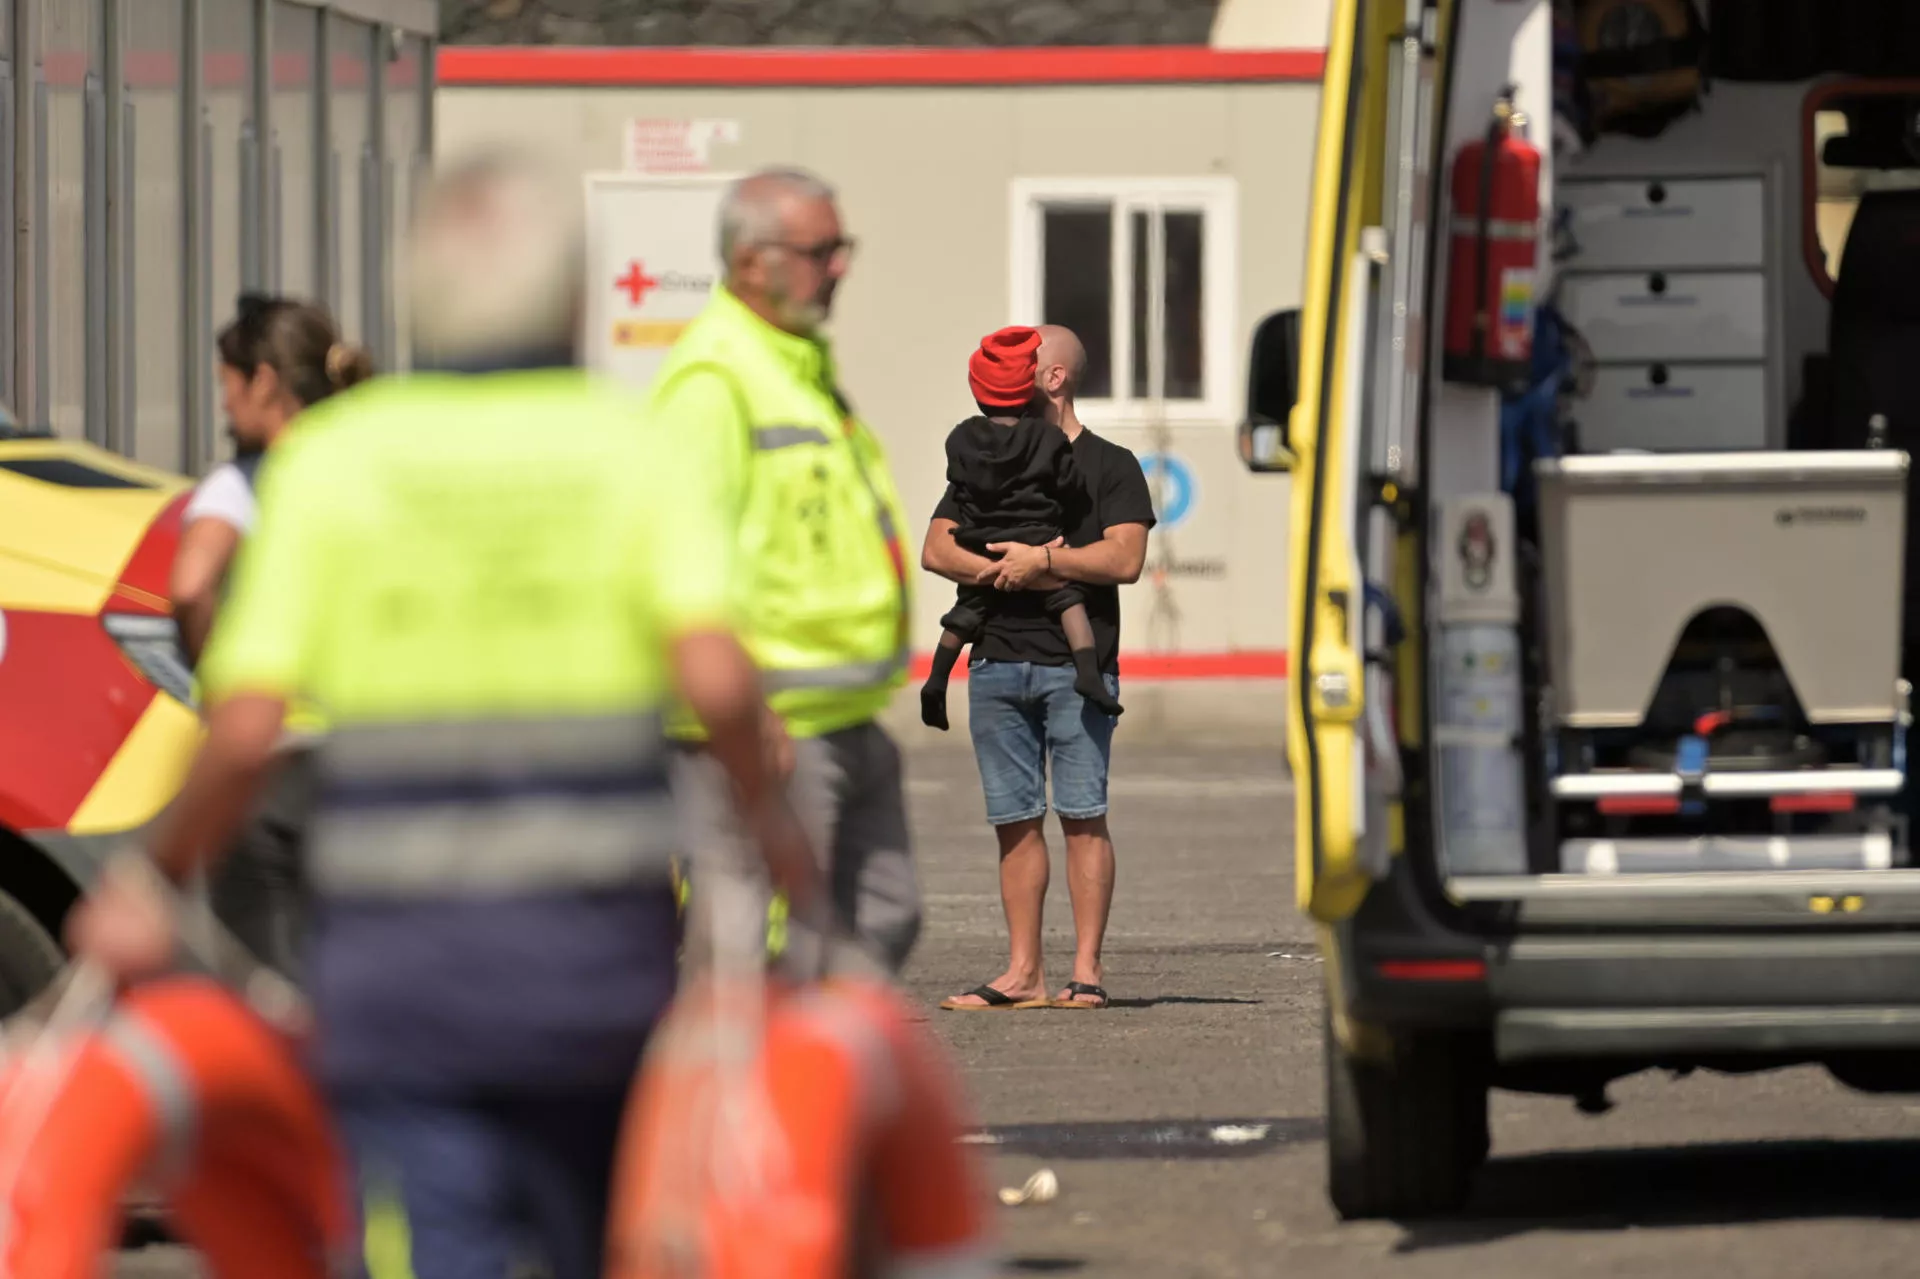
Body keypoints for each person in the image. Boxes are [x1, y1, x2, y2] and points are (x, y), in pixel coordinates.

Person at [67, 151, 817, 1279]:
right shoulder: (628, 449)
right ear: (571, 299)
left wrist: (150, 875)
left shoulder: (333, 464)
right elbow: (717, 683)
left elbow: (243, 720)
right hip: (593, 963)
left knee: (428, 1235)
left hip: (401, 966)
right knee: (586, 1232)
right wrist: (786, 855)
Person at [650, 166, 920, 979]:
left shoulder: (793, 368)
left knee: (878, 922)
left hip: (842, 712)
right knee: (757, 953)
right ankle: (744, 1097)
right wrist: (736, 702)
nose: (839, 267)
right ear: (752, 262)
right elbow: (676, 556)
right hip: (769, 723)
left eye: (842, 248)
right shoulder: (713, 382)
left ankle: (812, 1085)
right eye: (821, 250)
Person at [921, 326, 1155, 1012]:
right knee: (1014, 822)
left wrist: (1045, 562)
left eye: (1028, 364)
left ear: (1054, 378)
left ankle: (1085, 970)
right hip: (995, 662)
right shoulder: (990, 455)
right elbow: (937, 547)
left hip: (1074, 671)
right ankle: (1023, 974)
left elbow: (1125, 560)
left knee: (1083, 816)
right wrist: (1003, 569)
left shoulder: (1113, 464)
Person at [169, 293, 373, 982]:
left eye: (228, 385)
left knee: (262, 983)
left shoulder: (245, 482)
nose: (225, 405)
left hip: (265, 757)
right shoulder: (369, 471)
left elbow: (192, 584)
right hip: (363, 752)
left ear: (263, 382)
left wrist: (212, 671)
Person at [920, 325, 1124, 732]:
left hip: (982, 539)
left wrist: (997, 566)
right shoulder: (1046, 440)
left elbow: (957, 482)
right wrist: (1032, 565)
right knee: (1068, 602)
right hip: (1032, 535)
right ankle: (1088, 672)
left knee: (965, 611)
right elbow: (1066, 482)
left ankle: (936, 679)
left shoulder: (964, 437)